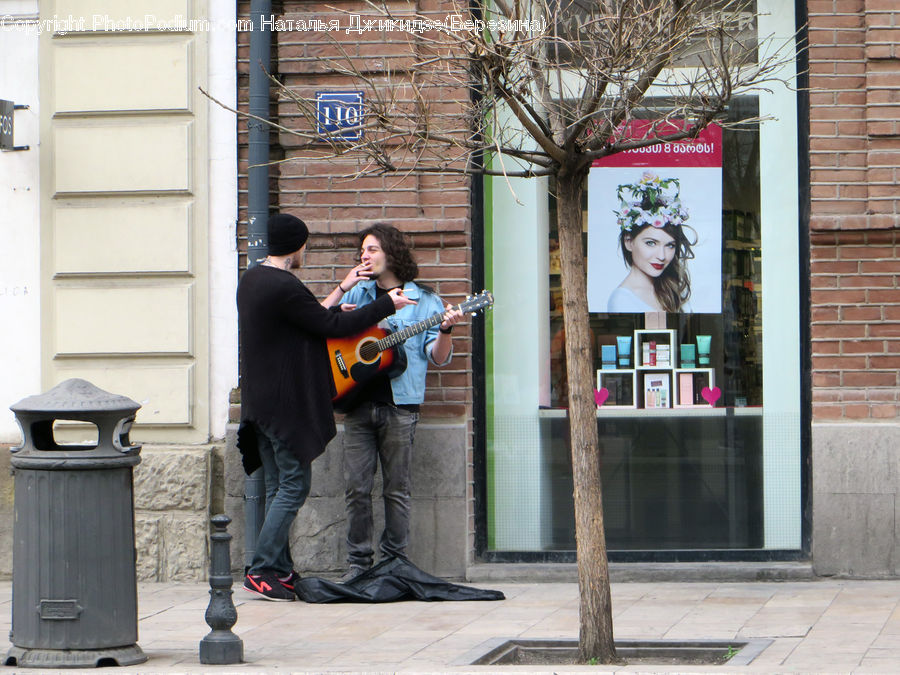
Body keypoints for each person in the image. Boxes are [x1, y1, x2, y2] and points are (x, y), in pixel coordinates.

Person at [237, 213, 415, 601]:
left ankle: (280, 570)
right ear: (296, 246)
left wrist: (337, 302)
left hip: (259, 404)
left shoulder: (252, 280)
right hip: (284, 406)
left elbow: (308, 320)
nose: (306, 251)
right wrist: (386, 304)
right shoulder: (283, 284)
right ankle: (262, 567)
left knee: (275, 486)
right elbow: (329, 329)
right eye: (305, 245)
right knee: (294, 485)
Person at [321, 223, 464, 582]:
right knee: (356, 488)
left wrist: (445, 329)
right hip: (356, 403)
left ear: (391, 252)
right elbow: (321, 324)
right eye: (362, 251)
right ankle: (358, 563)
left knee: (396, 489)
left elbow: (438, 356)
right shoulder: (361, 294)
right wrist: (345, 288)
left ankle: (395, 562)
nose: (364, 256)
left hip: (401, 406)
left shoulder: (426, 301)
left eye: (371, 250)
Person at [607, 172, 697, 313]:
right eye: (651, 243)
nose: (662, 256)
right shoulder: (622, 300)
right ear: (629, 242)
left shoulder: (672, 290)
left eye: (670, 245)